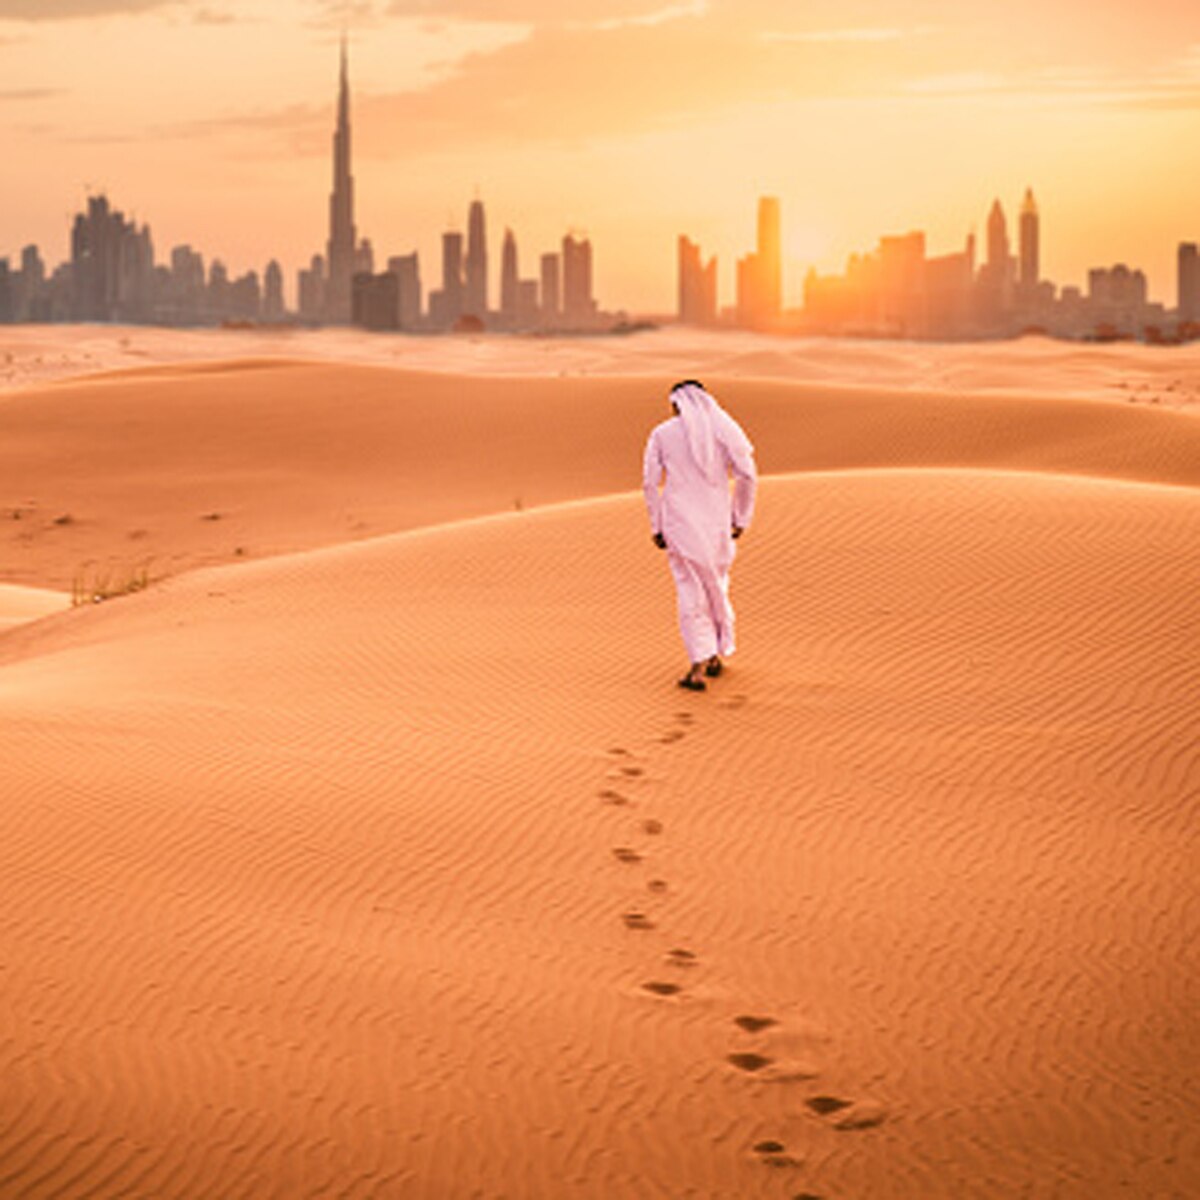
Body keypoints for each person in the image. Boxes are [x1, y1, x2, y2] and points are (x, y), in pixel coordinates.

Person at [642, 380, 757, 691]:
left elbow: (650, 483)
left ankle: (698, 664)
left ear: (677, 403)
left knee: (689, 586)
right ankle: (716, 653)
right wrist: (741, 516)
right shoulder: (725, 428)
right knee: (716, 583)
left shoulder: (662, 433)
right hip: (717, 522)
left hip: (680, 522)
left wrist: (656, 525)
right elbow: (747, 473)